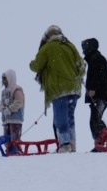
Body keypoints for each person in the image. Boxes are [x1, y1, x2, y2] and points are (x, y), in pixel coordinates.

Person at [28, 25, 85, 153]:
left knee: (60, 118)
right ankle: (72, 145)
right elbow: (82, 65)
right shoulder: (69, 45)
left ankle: (64, 145)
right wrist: (75, 76)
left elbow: (36, 66)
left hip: (59, 89)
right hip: (74, 89)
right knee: (70, 117)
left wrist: (31, 63)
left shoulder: (48, 47)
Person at [81, 37, 107, 151]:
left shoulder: (97, 59)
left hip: (101, 95)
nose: (83, 51)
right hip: (101, 94)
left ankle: (104, 144)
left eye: (85, 47)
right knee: (96, 119)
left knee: (95, 120)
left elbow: (99, 75)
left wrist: (93, 89)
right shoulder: (94, 59)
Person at [0, 69, 26, 154]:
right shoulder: (4, 92)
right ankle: (9, 151)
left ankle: (17, 151)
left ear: (10, 78)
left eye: (5, 78)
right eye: (2, 79)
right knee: (6, 138)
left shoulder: (16, 89)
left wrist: (10, 109)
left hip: (15, 119)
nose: (3, 81)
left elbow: (19, 101)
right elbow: (1, 103)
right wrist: (1, 107)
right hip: (6, 120)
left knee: (15, 138)